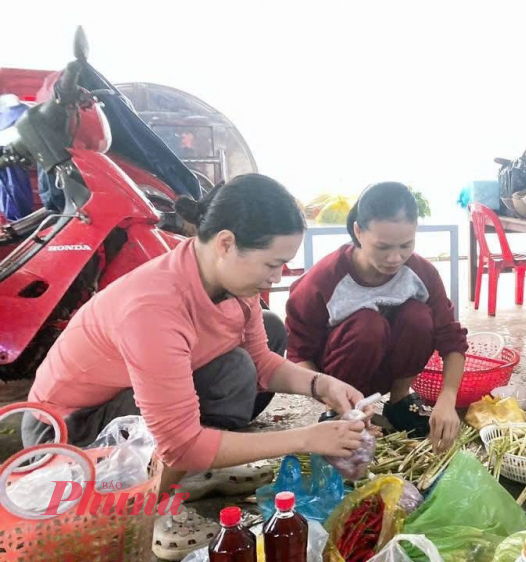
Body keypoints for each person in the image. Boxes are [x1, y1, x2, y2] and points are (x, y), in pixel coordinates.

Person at [22, 174, 369, 559]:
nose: (276, 277)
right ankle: (153, 512)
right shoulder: (153, 307)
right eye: (273, 264)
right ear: (226, 243)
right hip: (69, 432)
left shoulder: (231, 284)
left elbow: (261, 365)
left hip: (123, 402)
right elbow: (179, 441)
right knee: (175, 435)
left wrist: (323, 385)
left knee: (242, 361)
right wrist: (306, 438)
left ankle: (189, 472)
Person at [284, 182, 468, 453]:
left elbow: (452, 340)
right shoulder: (325, 280)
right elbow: (299, 354)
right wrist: (331, 398)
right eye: (382, 247)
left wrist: (447, 399)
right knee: (368, 326)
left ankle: (399, 402)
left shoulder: (421, 274)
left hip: (391, 367)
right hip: (341, 378)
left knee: (419, 316)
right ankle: (342, 415)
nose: (395, 258)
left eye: (406, 245)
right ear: (358, 231)